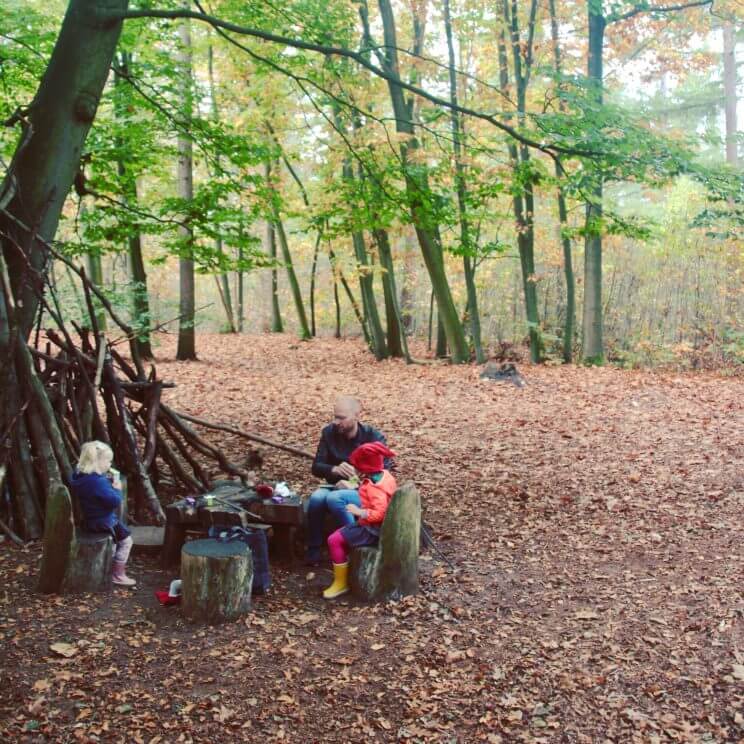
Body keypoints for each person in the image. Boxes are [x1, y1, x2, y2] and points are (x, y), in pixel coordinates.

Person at [305, 396, 393, 566]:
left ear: (357, 416)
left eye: (341, 418)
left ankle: (351, 542)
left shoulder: (373, 437)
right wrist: (333, 469)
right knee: (316, 499)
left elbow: (383, 474)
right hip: (333, 484)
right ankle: (314, 550)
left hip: (365, 490)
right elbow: (316, 466)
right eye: (335, 416)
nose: (336, 422)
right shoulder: (329, 433)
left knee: (334, 499)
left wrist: (356, 483)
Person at [323, 441, 397, 599]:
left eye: (356, 465)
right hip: (373, 526)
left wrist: (360, 512)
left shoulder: (375, 488)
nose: (353, 467)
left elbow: (380, 513)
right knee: (339, 536)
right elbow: (365, 484)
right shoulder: (382, 475)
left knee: (334, 540)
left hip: (372, 529)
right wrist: (353, 484)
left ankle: (340, 583)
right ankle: (345, 571)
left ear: (365, 467)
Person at [70, 441, 136, 587]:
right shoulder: (98, 483)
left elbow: (93, 491)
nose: (110, 464)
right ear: (97, 461)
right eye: (108, 461)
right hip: (104, 521)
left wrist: (104, 481)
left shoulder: (79, 476)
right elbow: (113, 501)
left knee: (114, 543)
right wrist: (117, 489)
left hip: (89, 520)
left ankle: (109, 570)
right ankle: (117, 574)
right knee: (126, 541)